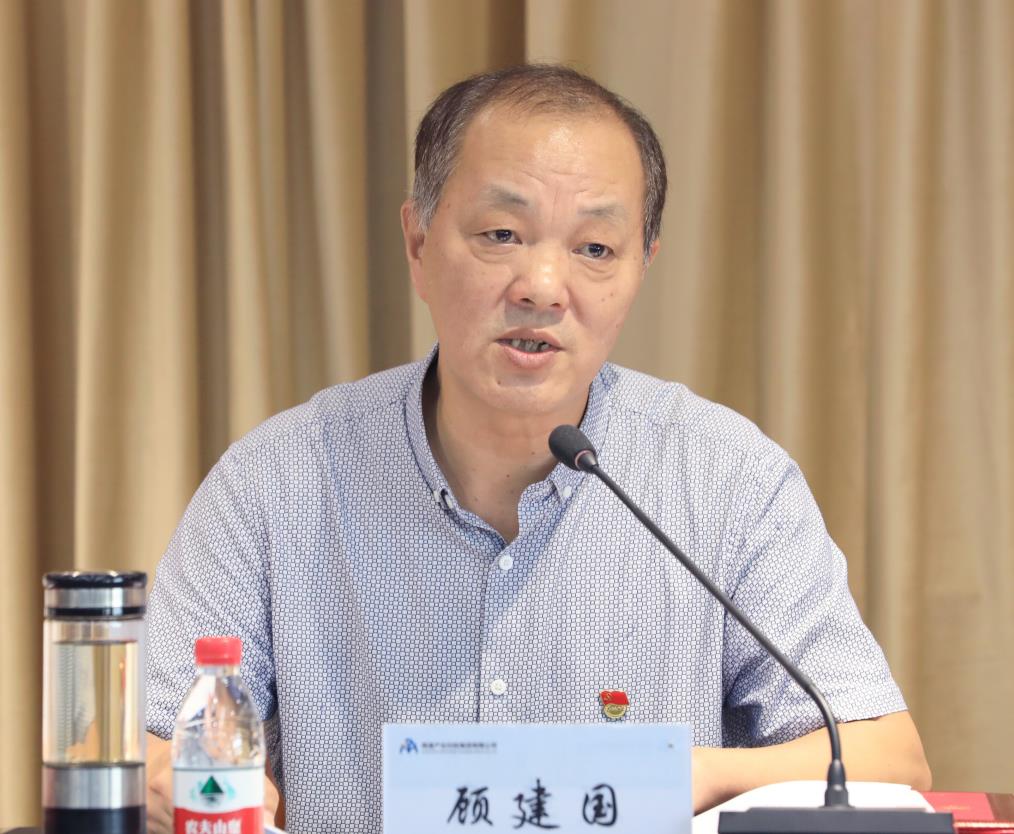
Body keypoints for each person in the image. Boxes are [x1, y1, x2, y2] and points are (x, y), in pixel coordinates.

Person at [144, 64, 931, 834]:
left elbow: (885, 756)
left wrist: (688, 773)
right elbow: (151, 741)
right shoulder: (277, 483)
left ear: (642, 268)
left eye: (596, 249)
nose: (542, 286)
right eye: (502, 235)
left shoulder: (727, 479)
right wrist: (205, 791)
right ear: (418, 242)